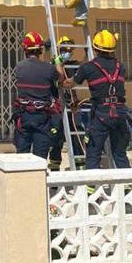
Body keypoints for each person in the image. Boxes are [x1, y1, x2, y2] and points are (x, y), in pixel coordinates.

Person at [63, 29, 130, 170]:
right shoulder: (121, 67)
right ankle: (128, 187)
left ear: (94, 47)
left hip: (101, 115)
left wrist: (57, 69)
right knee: (120, 154)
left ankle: (91, 189)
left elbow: (69, 84)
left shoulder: (88, 67)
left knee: (93, 154)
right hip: (120, 113)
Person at [12, 31, 63, 165]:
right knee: (39, 159)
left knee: (21, 157)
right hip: (42, 118)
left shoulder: (19, 67)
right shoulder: (49, 69)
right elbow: (60, 76)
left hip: (23, 116)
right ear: (40, 50)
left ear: (25, 49)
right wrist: (57, 60)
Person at [48, 36, 86, 170]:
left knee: (77, 133)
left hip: (72, 105)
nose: (68, 52)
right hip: (57, 105)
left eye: (70, 50)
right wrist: (58, 63)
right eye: (65, 49)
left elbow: (84, 65)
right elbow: (59, 79)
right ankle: (54, 165)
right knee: (56, 136)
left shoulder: (72, 64)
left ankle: (80, 163)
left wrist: (88, 51)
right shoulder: (53, 64)